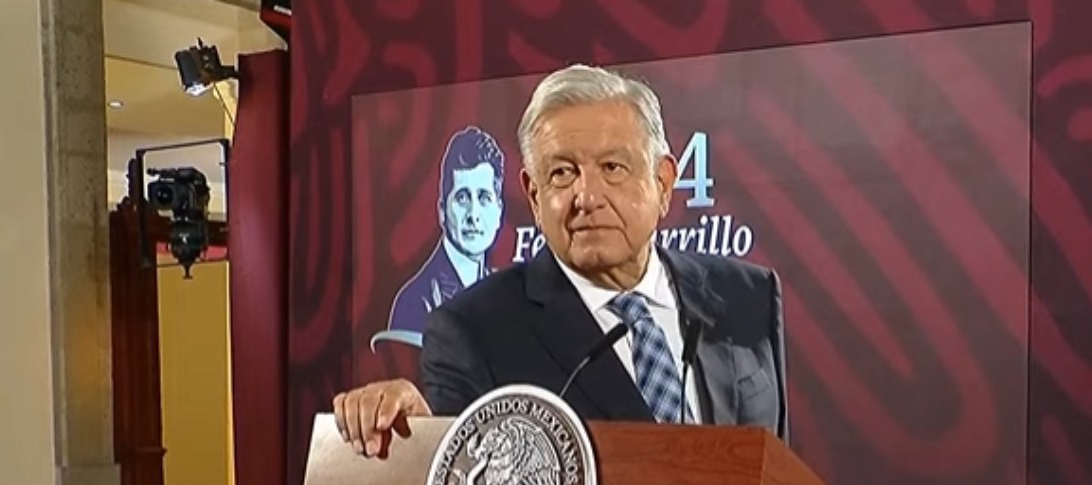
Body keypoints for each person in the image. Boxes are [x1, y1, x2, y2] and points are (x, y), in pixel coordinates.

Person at [336, 64, 788, 456]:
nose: (586, 197)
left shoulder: (747, 296)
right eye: (562, 173)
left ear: (664, 183)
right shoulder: (473, 332)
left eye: (613, 167)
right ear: (534, 195)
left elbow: (779, 481)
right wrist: (419, 441)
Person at [370, 126, 506, 348]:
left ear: (499, 211)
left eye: (483, 198)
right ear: (442, 210)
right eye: (462, 198)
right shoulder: (416, 303)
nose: (473, 215)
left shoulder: (504, 294)